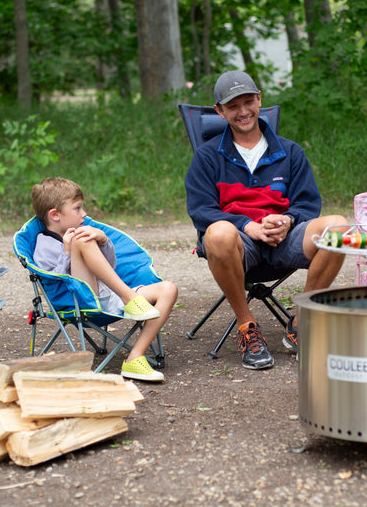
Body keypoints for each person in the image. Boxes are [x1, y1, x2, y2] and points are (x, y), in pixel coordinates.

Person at [184, 70, 347, 370]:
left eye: (249, 101)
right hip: (239, 246)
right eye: (233, 106)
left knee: (338, 227)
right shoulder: (207, 157)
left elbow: (307, 204)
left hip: (285, 239)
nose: (243, 111)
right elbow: (201, 210)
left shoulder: (290, 152)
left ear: (260, 100)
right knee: (217, 233)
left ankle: (302, 323)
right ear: (219, 111)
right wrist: (249, 226)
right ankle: (247, 328)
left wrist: (287, 220)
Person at [31, 177, 178, 382]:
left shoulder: (83, 232)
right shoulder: (43, 244)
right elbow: (53, 279)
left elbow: (109, 266)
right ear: (55, 215)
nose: (84, 214)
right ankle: (130, 298)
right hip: (81, 300)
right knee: (79, 242)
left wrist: (103, 239)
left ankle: (135, 357)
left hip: (112, 295)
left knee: (169, 288)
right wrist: (67, 251)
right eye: (78, 208)